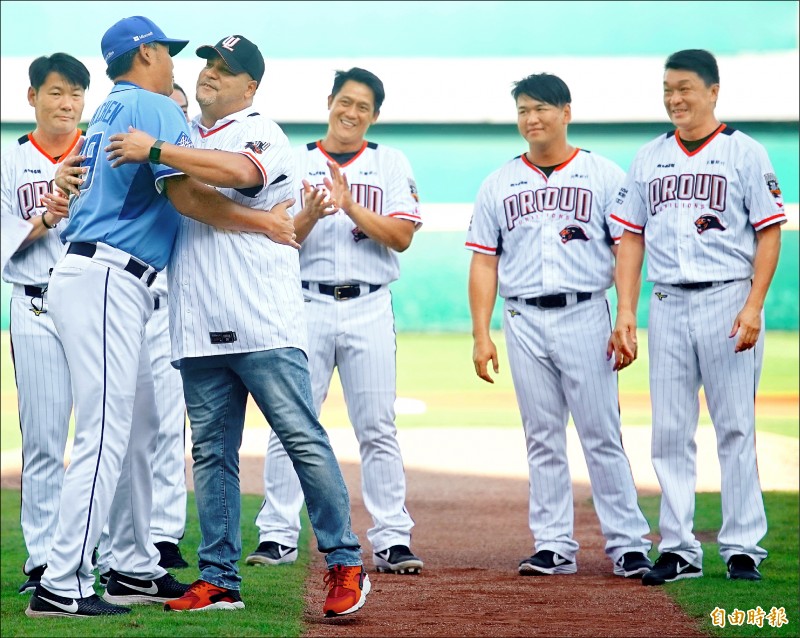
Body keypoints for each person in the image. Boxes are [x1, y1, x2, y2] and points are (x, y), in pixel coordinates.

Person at [27, 16, 298, 618]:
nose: (177, 64)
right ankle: (61, 581)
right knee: (103, 433)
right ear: (144, 52)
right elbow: (187, 196)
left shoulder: (110, 110)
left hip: (108, 275)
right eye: (169, 53)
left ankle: (131, 565)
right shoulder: (153, 107)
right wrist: (266, 223)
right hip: (107, 278)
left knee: (144, 428)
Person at [101, 36, 370, 616]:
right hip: (197, 320)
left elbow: (238, 172)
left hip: (264, 320)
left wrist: (157, 152)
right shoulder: (179, 137)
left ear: (250, 87)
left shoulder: (262, 130)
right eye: (207, 65)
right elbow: (190, 200)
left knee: (301, 439)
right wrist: (168, 155)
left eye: (227, 70)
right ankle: (220, 579)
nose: (211, 76)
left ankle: (345, 561)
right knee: (212, 455)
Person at [466, 73, 653, 578]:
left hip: (586, 312)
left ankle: (628, 543)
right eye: (524, 110)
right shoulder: (499, 182)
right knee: (542, 435)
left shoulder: (603, 175)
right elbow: (484, 262)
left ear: (566, 112)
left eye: (542, 109)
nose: (532, 119)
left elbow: (626, 247)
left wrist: (627, 314)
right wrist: (482, 333)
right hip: (523, 317)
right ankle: (553, 545)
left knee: (600, 432)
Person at [610, 49, 785, 585]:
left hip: (728, 299)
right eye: (667, 89)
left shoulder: (745, 153)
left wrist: (754, 304)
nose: (675, 98)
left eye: (684, 88)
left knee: (735, 426)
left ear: (713, 91)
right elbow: (630, 237)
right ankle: (680, 549)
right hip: (667, 303)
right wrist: (626, 312)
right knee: (670, 431)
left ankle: (741, 548)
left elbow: (769, 231)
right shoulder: (648, 158)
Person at [246, 67, 424, 576]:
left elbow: (401, 236)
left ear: (374, 115)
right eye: (344, 102)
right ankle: (278, 533)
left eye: (363, 106)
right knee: (291, 420)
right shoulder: (295, 161)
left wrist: (348, 206)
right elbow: (277, 235)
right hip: (303, 302)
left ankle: (392, 538)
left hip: (368, 302)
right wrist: (312, 215)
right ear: (329, 102)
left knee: (377, 425)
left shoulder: (390, 162)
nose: (351, 113)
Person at [95, 82, 192, 582]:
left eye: (181, 109)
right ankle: (89, 558)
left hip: (166, 303)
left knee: (159, 425)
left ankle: (157, 541)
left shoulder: (193, 156)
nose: (173, 115)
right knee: (112, 429)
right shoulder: (125, 158)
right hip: (122, 291)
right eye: (167, 107)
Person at [0, 53, 89, 596]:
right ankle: (42, 561)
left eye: (76, 92)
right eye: (56, 91)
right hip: (34, 302)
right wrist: (46, 216)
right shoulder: (10, 162)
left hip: (95, 304)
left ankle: (92, 551)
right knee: (44, 439)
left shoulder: (100, 154)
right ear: (32, 97)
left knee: (103, 436)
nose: (67, 103)